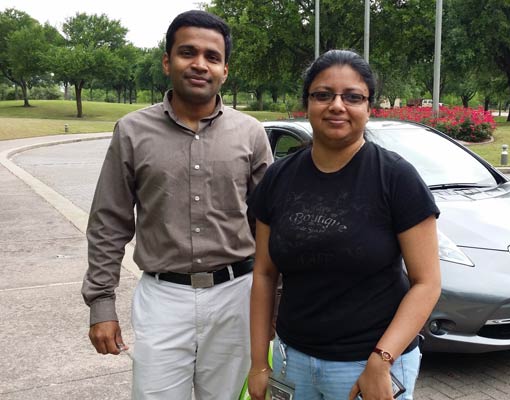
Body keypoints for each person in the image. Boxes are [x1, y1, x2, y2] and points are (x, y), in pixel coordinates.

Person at [81, 10, 273, 400]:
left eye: (212, 56)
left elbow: (271, 226)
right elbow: (109, 221)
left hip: (236, 296)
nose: (200, 64)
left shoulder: (251, 134)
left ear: (225, 70)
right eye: (188, 52)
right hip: (162, 298)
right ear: (168, 61)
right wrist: (102, 304)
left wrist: (276, 302)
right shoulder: (132, 131)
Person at [247, 49, 442, 400]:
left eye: (353, 97)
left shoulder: (396, 178)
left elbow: (427, 283)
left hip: (368, 365)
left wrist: (381, 361)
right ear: (307, 104)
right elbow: (263, 273)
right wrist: (259, 362)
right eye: (323, 95)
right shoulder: (279, 178)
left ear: (369, 107)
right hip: (294, 361)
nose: (337, 105)